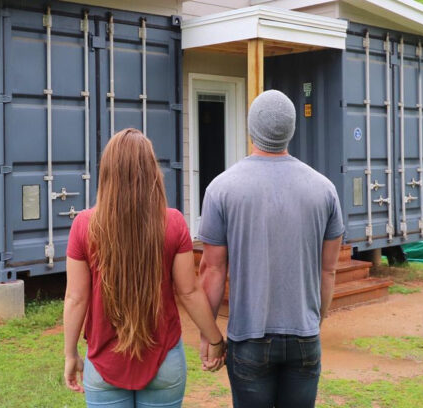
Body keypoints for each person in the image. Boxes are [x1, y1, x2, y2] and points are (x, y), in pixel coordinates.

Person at [198, 90, 344, 408]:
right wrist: (313, 322)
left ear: (251, 128)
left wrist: (208, 335)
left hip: (248, 338)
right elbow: (328, 269)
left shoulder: (221, 188)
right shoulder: (325, 190)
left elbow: (213, 269)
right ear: (291, 130)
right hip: (305, 336)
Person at [63, 128, 226, 407]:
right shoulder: (173, 222)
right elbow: (189, 291)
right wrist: (215, 339)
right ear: (152, 171)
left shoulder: (84, 225)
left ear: (107, 173)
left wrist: (70, 354)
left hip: (104, 364)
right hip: (164, 362)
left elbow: (76, 298)